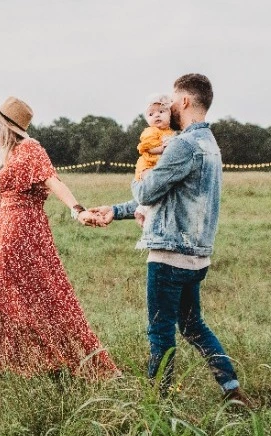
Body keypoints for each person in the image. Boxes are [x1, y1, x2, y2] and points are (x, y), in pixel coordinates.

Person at [90, 74, 254, 406]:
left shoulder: (182, 145)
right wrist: (115, 210)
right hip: (196, 256)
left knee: (160, 331)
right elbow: (168, 197)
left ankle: (158, 403)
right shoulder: (209, 144)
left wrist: (138, 176)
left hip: (169, 255)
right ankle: (232, 390)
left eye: (173, 101)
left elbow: (148, 190)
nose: (168, 106)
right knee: (193, 327)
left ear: (185, 102)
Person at [0, 96, 119, 378]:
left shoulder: (30, 149)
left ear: (6, 127)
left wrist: (78, 210)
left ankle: (55, 360)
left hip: (24, 232)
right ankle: (11, 363)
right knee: (4, 298)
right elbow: (0, 206)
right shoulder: (12, 156)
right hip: (6, 234)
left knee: (45, 296)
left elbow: (53, 180)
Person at [134, 94, 176, 226]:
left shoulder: (171, 132)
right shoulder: (150, 131)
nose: (156, 116)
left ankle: (142, 209)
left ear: (170, 115)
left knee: (161, 189)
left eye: (161, 112)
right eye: (151, 114)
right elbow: (148, 148)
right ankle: (143, 211)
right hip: (147, 165)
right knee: (153, 184)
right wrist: (162, 149)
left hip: (158, 165)